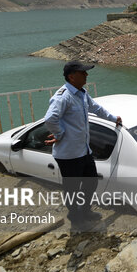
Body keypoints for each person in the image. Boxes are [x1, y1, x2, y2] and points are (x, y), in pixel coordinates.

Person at [44, 60, 122, 227]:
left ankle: (85, 210)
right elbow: (50, 119)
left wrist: (113, 118)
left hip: (83, 151)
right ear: (71, 77)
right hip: (69, 154)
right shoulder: (63, 97)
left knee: (91, 182)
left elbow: (96, 108)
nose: (86, 75)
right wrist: (59, 134)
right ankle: (75, 217)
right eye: (82, 73)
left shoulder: (82, 93)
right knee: (72, 188)